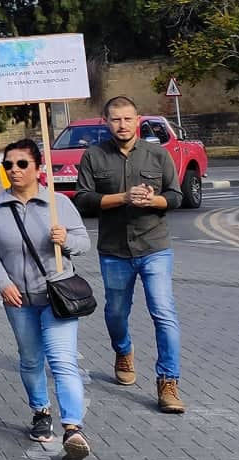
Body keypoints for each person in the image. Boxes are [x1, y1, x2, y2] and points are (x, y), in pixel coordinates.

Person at [0, 139, 92, 460]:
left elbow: (84, 243)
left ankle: (73, 428)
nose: (14, 170)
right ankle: (41, 411)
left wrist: (65, 240)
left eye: (21, 164)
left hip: (56, 296)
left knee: (62, 360)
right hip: (18, 299)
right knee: (30, 359)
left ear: (38, 168)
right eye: (8, 165)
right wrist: (3, 284)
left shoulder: (58, 204)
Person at [73, 96, 185, 414]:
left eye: (127, 119)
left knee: (163, 312)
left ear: (138, 120)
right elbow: (83, 199)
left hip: (154, 247)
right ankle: (123, 350)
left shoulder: (157, 154)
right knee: (116, 313)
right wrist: (123, 197)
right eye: (116, 119)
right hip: (114, 250)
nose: (122, 125)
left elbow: (175, 196)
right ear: (106, 122)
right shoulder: (94, 156)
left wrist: (153, 201)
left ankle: (168, 381)